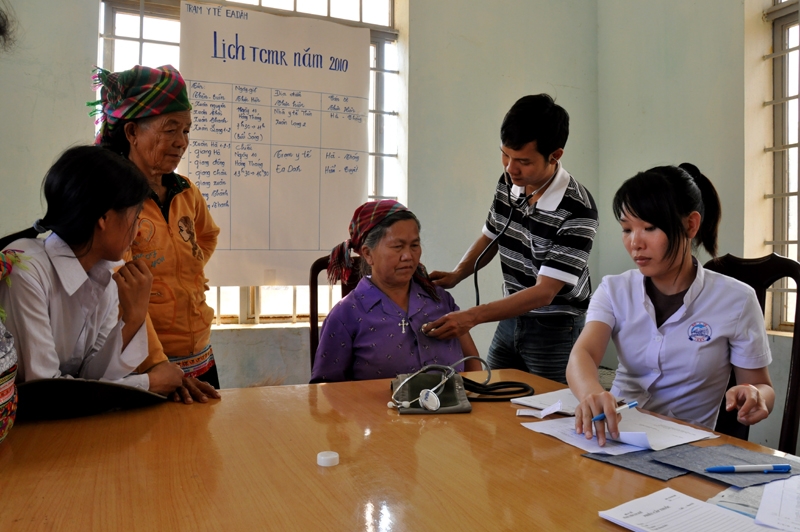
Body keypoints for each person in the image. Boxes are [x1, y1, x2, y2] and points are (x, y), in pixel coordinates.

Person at [566, 163, 774, 445]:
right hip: (613, 437)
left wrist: (755, 394)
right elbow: (584, 354)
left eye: (649, 227)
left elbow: (761, 385)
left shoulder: (736, 300)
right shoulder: (614, 289)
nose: (635, 243)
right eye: (626, 229)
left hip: (685, 448)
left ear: (690, 225)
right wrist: (592, 393)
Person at [426, 94, 598, 384]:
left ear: (555, 155)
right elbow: (492, 235)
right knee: (493, 405)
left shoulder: (578, 208)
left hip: (555, 329)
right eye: (505, 154)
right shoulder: (509, 181)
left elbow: (545, 292)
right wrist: (457, 275)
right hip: (510, 319)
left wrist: (472, 316)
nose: (510, 167)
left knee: (552, 413)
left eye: (523, 161)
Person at [0, 145, 184, 395]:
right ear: (104, 219)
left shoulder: (107, 272)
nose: (138, 229)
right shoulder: (25, 270)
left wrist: (133, 318)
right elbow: (44, 389)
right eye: (135, 214)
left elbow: (92, 374)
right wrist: (149, 383)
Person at [90, 64, 221, 404]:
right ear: (132, 132)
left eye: (187, 130)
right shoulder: (116, 203)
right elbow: (120, 291)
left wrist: (186, 269)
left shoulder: (185, 191)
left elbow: (207, 236)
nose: (182, 142)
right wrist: (159, 365)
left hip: (200, 354)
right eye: (170, 129)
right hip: (149, 365)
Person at [310, 200, 482, 383]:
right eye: (397, 247)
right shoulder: (345, 315)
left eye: (414, 246)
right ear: (368, 254)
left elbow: (473, 366)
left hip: (451, 409)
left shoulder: (439, 299)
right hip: (374, 412)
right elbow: (326, 390)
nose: (408, 256)